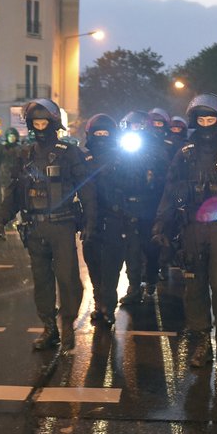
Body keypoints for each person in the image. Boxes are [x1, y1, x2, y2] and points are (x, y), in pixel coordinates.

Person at [152, 93, 217, 368]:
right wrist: (161, 224)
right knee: (194, 288)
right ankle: (201, 341)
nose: (206, 123)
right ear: (194, 121)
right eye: (201, 119)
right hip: (192, 228)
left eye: (210, 118)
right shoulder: (184, 155)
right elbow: (169, 192)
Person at [0, 99, 96, 351]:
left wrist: (91, 222)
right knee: (42, 282)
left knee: (68, 278)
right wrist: (1, 218)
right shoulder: (24, 154)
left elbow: (87, 191)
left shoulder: (70, 152)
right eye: (36, 122)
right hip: (34, 226)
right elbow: (15, 191)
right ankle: (49, 328)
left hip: (62, 225)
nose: (40, 127)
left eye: (44, 122)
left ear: (54, 123)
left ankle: (68, 324)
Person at [116, 111, 170, 305]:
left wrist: (152, 173)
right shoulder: (121, 149)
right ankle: (133, 285)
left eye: (139, 126)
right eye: (132, 126)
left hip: (150, 204)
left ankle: (152, 277)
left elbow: (165, 173)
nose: (135, 129)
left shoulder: (156, 148)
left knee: (150, 247)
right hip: (129, 204)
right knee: (132, 248)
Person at [80, 113, 124, 326]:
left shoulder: (123, 158)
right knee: (93, 263)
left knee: (112, 266)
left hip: (116, 219)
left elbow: (134, 185)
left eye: (106, 133)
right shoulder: (82, 159)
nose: (102, 137)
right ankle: (99, 303)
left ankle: (109, 306)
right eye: (98, 133)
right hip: (90, 220)